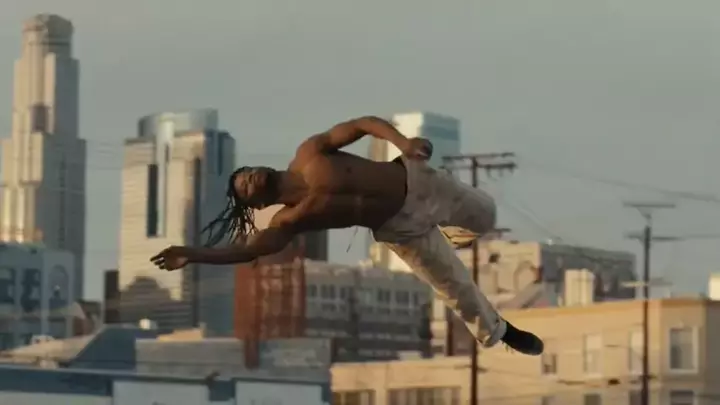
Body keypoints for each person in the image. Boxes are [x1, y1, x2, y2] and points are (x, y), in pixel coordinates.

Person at [150, 116, 544, 355]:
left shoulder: (309, 155)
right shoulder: (288, 221)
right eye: (244, 187)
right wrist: (193, 253)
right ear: (255, 204)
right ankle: (501, 332)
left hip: (418, 182)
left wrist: (403, 143)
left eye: (247, 173)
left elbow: (360, 125)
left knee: (486, 214)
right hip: (399, 228)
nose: (249, 178)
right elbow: (246, 252)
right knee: (453, 286)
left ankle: (456, 234)